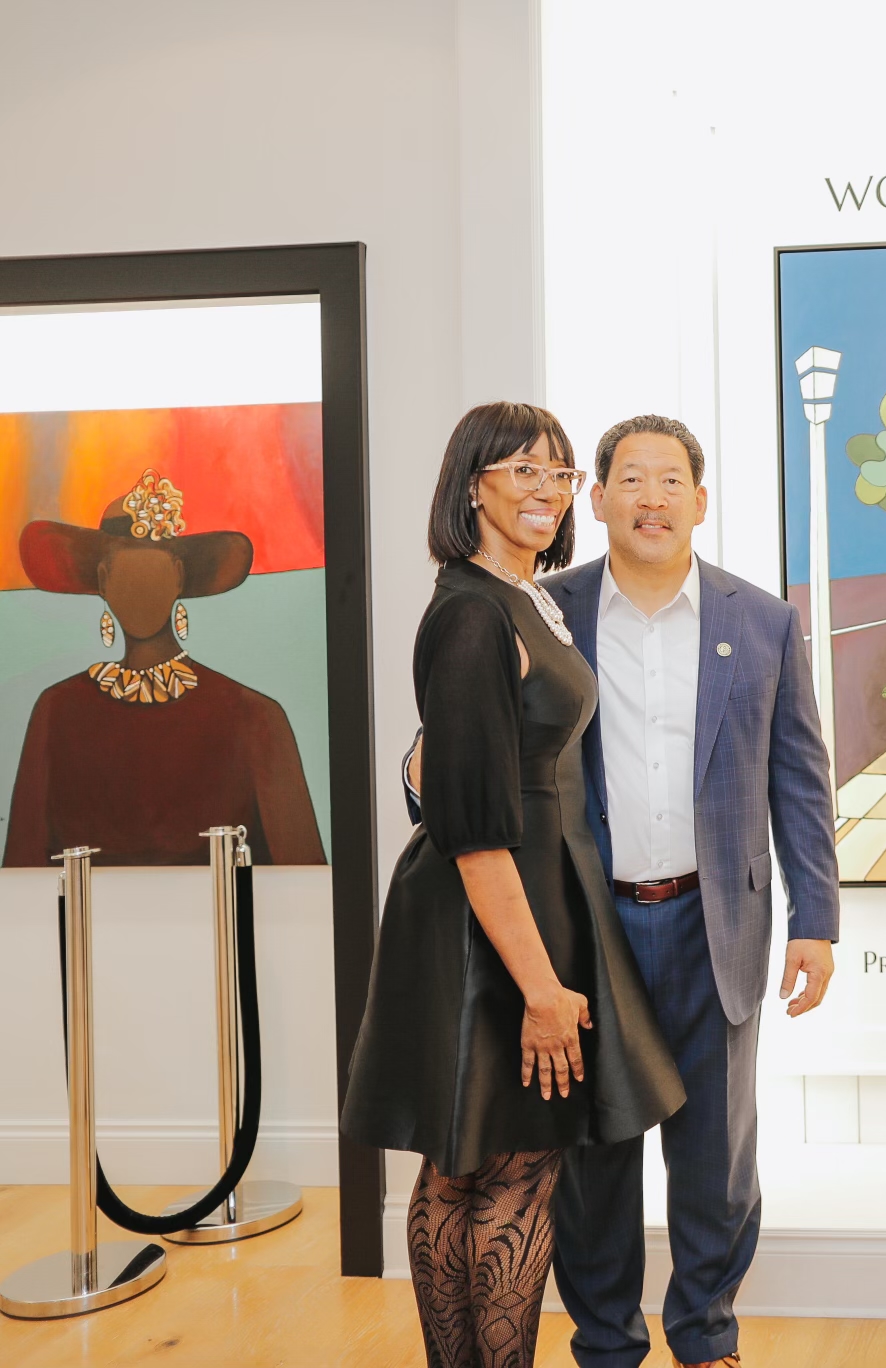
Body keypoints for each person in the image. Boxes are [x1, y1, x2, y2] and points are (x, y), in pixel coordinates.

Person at [343, 403, 687, 1368]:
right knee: (501, 1168)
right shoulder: (468, 612)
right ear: (472, 485)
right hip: (486, 918)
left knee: (479, 1164)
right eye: (522, 470)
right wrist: (540, 987)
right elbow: (472, 829)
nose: (546, 489)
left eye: (560, 473)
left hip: (530, 897)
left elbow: (454, 762)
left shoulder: (521, 598)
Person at [539, 414, 840, 1368]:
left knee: (715, 1159)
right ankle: (605, 1343)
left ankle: (706, 1335)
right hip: (592, 928)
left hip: (721, 922)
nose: (652, 498)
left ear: (701, 503)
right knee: (594, 1160)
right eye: (632, 480)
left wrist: (816, 919)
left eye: (672, 481)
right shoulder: (547, 614)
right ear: (598, 500)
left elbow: (800, 776)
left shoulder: (761, 620)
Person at [7, 468, 325, 866]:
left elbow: (305, 882)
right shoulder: (56, 711)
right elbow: (18, 881)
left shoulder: (255, 716)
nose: (139, 585)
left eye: (153, 568)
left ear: (178, 576)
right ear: (103, 581)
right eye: (124, 570)